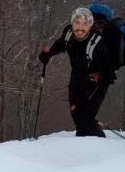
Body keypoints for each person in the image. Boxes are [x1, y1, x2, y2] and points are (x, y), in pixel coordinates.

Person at [39, 7, 116, 137]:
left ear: (90, 25)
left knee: (85, 117)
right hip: (77, 77)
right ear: (72, 23)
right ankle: (87, 143)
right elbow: (61, 45)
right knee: (75, 112)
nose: (80, 28)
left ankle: (93, 146)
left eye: (85, 24)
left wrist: (103, 77)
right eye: (77, 23)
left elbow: (107, 70)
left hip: (96, 81)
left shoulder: (97, 42)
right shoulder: (68, 33)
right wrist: (47, 55)